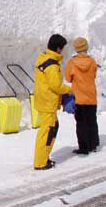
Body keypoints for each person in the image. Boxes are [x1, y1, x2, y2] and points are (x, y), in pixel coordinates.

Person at [33, 34, 72, 170]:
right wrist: (69, 89)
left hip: (44, 100)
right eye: (62, 48)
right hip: (48, 102)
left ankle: (43, 158)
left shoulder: (44, 58)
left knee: (51, 128)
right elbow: (56, 85)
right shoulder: (52, 65)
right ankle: (40, 162)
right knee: (47, 131)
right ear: (58, 48)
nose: (63, 51)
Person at [64, 37, 99, 155]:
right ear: (86, 47)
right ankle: (93, 145)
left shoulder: (72, 62)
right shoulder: (92, 61)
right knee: (92, 121)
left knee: (81, 123)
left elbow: (68, 78)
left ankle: (84, 147)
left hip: (79, 97)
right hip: (91, 96)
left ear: (76, 48)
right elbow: (94, 75)